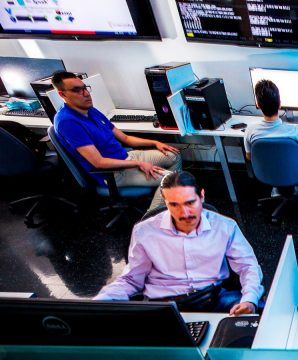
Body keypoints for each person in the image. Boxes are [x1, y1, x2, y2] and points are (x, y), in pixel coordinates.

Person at [94, 171, 264, 315]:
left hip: (213, 297)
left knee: (261, 315)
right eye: (174, 205)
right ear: (164, 200)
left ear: (202, 196)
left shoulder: (225, 226)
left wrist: (249, 299)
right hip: (164, 304)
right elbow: (131, 280)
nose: (184, 213)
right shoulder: (144, 231)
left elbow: (248, 266)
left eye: (190, 203)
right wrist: (100, 302)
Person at [51, 71, 182, 211]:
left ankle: (163, 197)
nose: (85, 93)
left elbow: (126, 138)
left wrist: (155, 143)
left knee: (174, 155)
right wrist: (139, 164)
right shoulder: (68, 122)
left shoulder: (90, 110)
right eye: (77, 90)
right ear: (62, 94)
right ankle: (150, 220)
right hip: (115, 173)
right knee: (174, 182)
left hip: (127, 157)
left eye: (84, 88)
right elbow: (98, 162)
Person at [244, 79, 298, 196]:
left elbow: (249, 157)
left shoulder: (250, 131)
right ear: (280, 104)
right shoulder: (294, 131)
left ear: (258, 105)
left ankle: (277, 186)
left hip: (266, 175)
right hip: (296, 174)